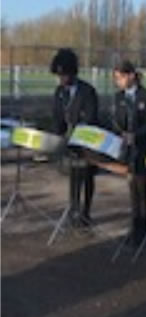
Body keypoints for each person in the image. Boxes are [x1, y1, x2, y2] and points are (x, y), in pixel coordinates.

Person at [50, 48, 99, 227]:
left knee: (87, 176)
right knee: (74, 176)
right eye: (59, 76)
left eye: (64, 75)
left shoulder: (87, 91)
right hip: (69, 141)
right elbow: (56, 116)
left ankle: (86, 211)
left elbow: (91, 117)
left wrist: (79, 133)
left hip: (86, 140)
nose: (61, 79)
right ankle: (73, 209)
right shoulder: (59, 92)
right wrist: (58, 136)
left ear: (72, 72)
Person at [112, 61, 146, 247]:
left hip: (142, 147)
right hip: (127, 149)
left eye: (121, 77)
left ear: (131, 76)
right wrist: (120, 133)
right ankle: (134, 227)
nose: (118, 82)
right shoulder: (119, 97)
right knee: (132, 188)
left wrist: (136, 135)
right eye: (116, 79)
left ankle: (143, 228)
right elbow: (116, 120)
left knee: (141, 188)